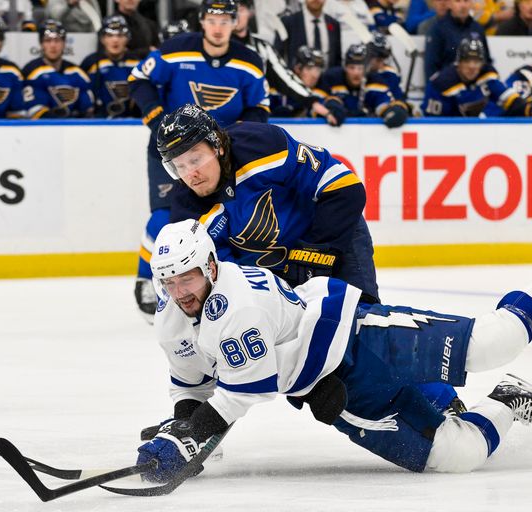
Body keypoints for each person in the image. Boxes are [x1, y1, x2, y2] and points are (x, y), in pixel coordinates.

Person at [135, 217, 532, 478]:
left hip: (358, 338)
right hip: (335, 394)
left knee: (496, 342)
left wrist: (186, 443)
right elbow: (195, 384)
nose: (180, 291)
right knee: (456, 456)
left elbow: (242, 395)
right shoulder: (172, 321)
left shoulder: (235, 305)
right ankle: (507, 402)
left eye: (189, 276)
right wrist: (186, 433)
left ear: (210, 266)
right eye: (169, 281)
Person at [128, 0, 270, 322]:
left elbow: (259, 107)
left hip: (219, 156)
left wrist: (233, 139)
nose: (218, 26)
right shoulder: (177, 49)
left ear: (236, 23)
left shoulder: (250, 62)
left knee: (221, 216)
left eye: (225, 20)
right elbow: (139, 79)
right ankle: (145, 279)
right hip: (170, 154)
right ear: (202, 22)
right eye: (212, 19)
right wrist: (156, 120)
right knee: (165, 214)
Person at [159, 103, 379, 304]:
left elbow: (346, 188)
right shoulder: (187, 215)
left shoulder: (263, 146)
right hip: (273, 277)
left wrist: (314, 252)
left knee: (361, 327)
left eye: (195, 159)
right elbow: (222, 277)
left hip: (331, 239)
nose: (191, 174)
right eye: (180, 166)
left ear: (218, 146)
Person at [232, 0, 341, 126]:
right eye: (232, 11)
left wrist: (311, 101)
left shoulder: (262, 47)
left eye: (241, 10)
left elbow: (286, 78)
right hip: (221, 115)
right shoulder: (210, 46)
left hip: (252, 119)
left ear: (250, 12)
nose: (237, 16)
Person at [422, 37, 532, 117]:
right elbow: (433, 122)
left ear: (483, 63)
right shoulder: (442, 83)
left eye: (476, 61)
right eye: (467, 61)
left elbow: (510, 99)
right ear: (458, 63)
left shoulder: (487, 74)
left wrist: (530, 109)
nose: (472, 66)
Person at [319, 43, 410, 126]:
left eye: (360, 68)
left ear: (367, 69)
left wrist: (394, 110)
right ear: (345, 67)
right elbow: (316, 101)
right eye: (352, 68)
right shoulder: (332, 77)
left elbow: (383, 103)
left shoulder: (375, 81)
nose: (356, 73)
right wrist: (330, 105)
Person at [22, 20, 95, 118]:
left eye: (57, 40)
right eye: (48, 41)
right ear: (41, 44)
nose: (53, 45)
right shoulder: (32, 71)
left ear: (64, 43)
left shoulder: (77, 73)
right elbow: (35, 111)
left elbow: (88, 110)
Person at [80, 15, 141, 118]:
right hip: (96, 121)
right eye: (110, 35)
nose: (115, 40)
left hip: (131, 122)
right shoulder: (90, 63)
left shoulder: (137, 63)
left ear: (127, 38)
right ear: (102, 39)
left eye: (120, 35)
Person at [270, 45, 347, 124]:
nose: (315, 75)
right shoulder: (278, 89)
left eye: (318, 69)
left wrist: (332, 109)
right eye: (309, 68)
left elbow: (337, 110)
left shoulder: (322, 90)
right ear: (297, 69)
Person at [423, 0, 491, 79]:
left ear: (471, 3)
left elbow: (486, 61)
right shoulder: (438, 29)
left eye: (466, 1)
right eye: (458, 1)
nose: (463, 6)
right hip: (447, 86)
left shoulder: (478, 29)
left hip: (475, 87)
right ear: (449, 4)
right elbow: (431, 67)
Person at [275, 0, 342, 69]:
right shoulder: (288, 22)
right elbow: (277, 55)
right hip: (297, 77)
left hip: (327, 77)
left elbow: (337, 58)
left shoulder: (333, 24)